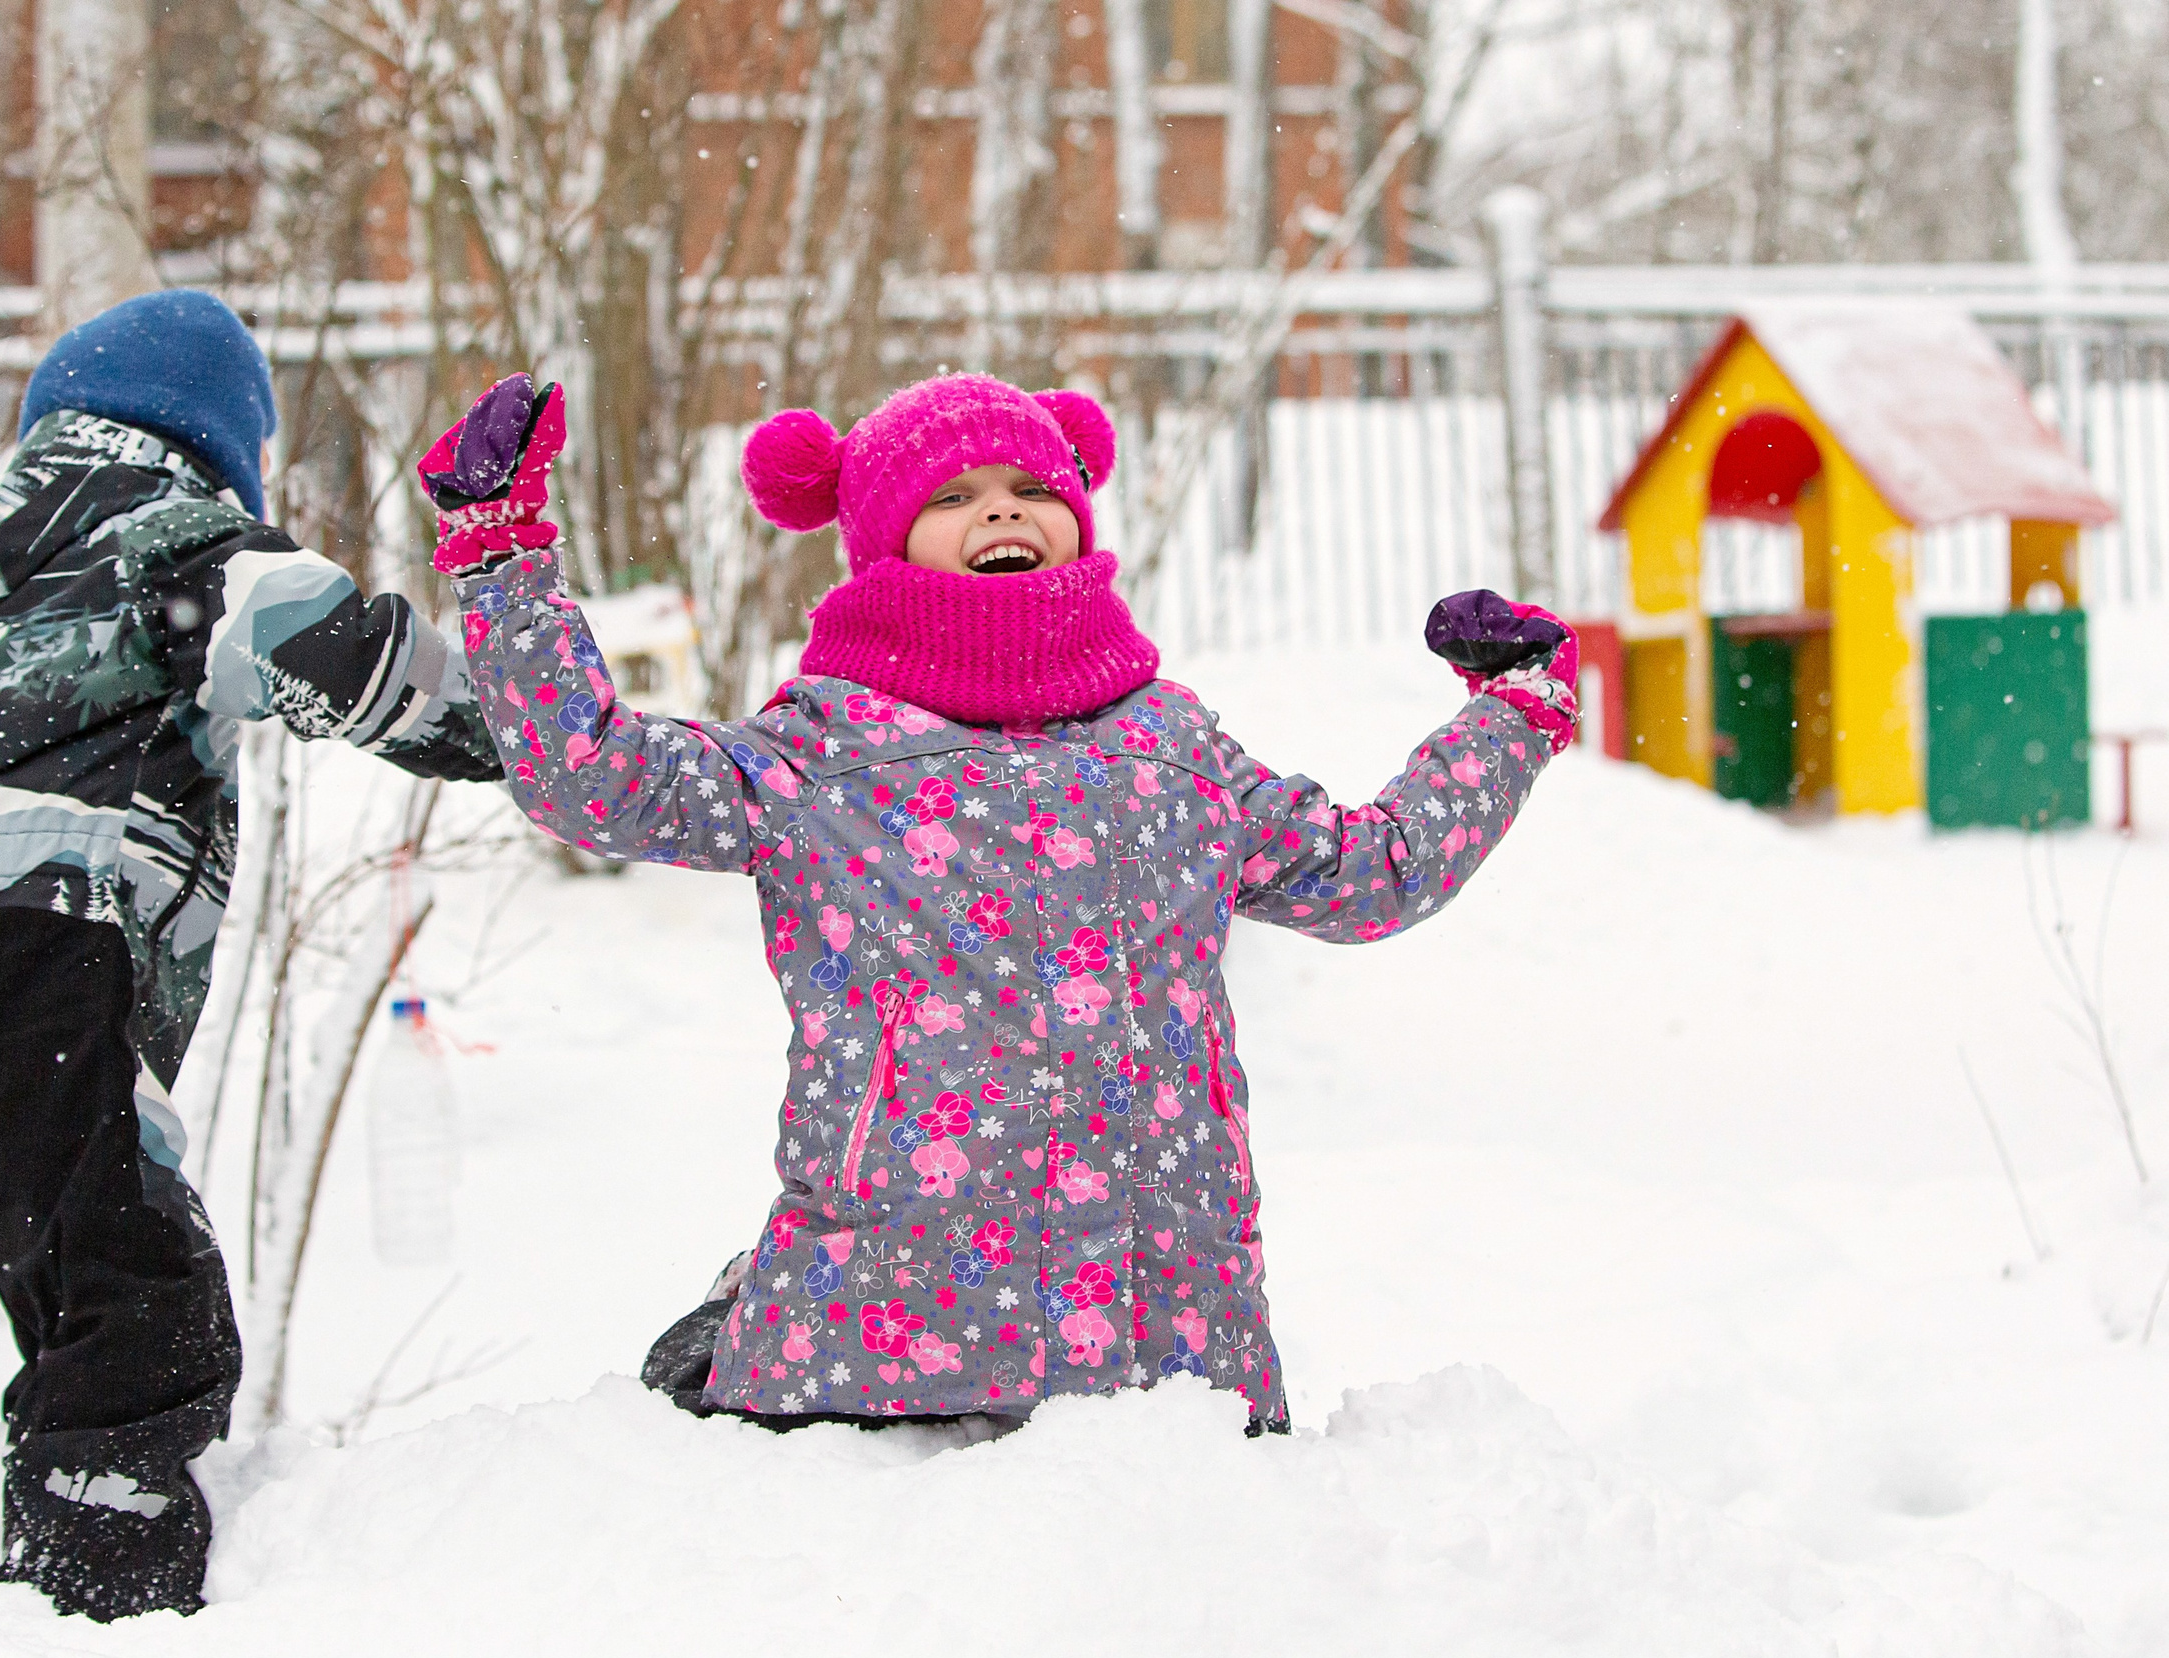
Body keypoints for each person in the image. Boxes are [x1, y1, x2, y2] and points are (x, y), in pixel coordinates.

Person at [421, 371, 1576, 1433]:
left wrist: (1511, 717)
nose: (1004, 511)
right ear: (884, 540)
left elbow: (1374, 875)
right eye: (956, 494)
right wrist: (500, 555)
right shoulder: (818, 755)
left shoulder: (1174, 751)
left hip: (1167, 1353)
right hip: (880, 1349)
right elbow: (595, 779)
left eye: (1033, 486)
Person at [0, 289, 502, 1619]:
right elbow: (331, 641)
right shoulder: (185, 541)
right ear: (220, 439)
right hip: (58, 931)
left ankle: (29, 1578)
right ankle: (103, 1602)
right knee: (149, 1308)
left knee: (70, 1281)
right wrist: (517, 729)